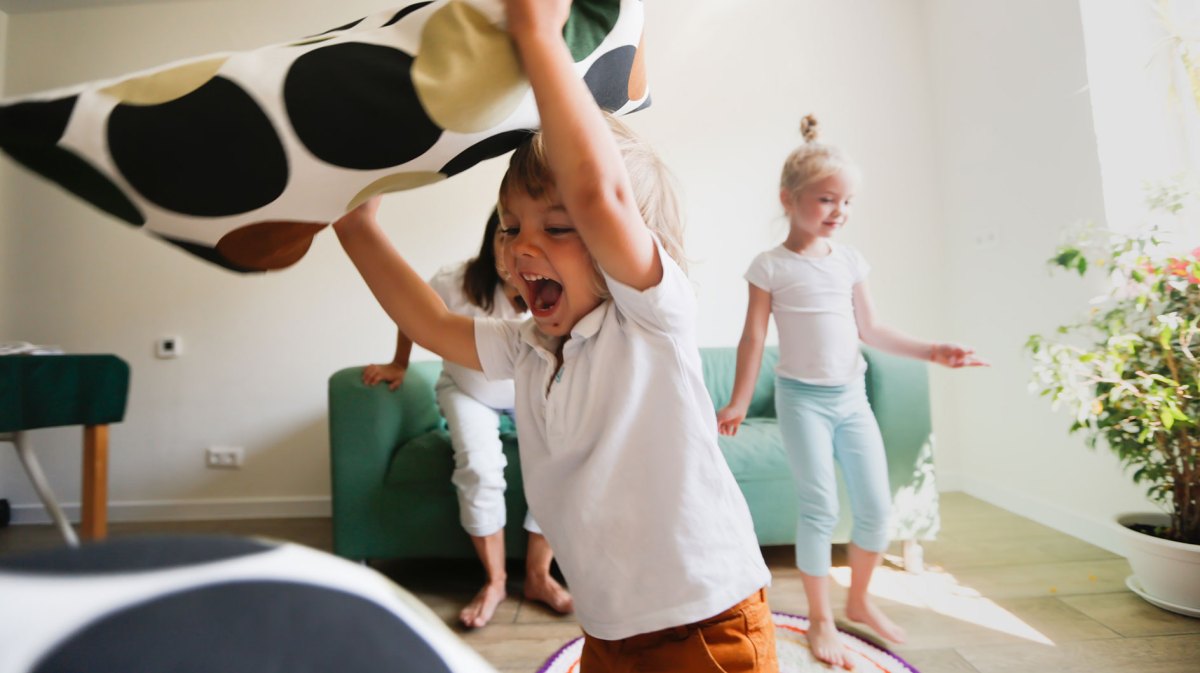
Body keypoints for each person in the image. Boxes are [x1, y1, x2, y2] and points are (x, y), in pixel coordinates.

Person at [332, 1, 778, 670]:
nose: (520, 247)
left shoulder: (650, 320)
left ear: (620, 238)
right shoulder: (527, 347)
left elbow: (600, 194)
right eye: (510, 226)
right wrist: (355, 227)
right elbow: (426, 321)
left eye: (558, 227)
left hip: (705, 619)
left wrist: (538, 35)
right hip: (608, 625)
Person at [716, 115, 986, 670]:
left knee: (877, 510)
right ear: (788, 199)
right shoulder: (769, 267)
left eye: (847, 201)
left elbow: (873, 330)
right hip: (802, 401)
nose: (838, 211)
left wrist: (933, 349)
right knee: (819, 508)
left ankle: (859, 599)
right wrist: (741, 400)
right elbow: (751, 338)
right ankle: (819, 617)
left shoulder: (851, 262)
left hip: (851, 398)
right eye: (826, 199)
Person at [359, 210, 571, 629]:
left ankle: (537, 575)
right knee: (479, 466)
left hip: (530, 393)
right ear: (492, 240)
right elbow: (413, 314)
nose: (514, 248)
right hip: (467, 389)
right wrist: (399, 363)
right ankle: (494, 582)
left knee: (559, 464)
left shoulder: (556, 288)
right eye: (505, 235)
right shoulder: (455, 281)